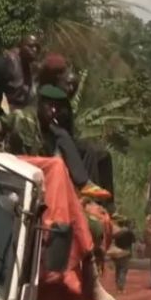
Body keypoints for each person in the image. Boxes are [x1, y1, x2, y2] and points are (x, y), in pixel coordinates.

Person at [35, 54, 111, 201]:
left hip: (64, 140)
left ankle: (107, 203)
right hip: (47, 137)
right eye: (68, 84)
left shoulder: (65, 104)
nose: (71, 89)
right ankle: (83, 184)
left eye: (73, 86)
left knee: (101, 154)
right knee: (65, 136)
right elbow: (46, 122)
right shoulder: (46, 93)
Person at [4, 35, 41, 110]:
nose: (34, 49)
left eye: (37, 47)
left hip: (22, 109)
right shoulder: (10, 60)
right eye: (30, 46)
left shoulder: (30, 64)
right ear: (20, 46)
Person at [107, 214, 135, 293]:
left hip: (117, 252)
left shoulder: (117, 233)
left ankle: (117, 286)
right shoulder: (129, 233)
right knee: (123, 270)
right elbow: (133, 242)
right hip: (125, 253)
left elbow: (113, 241)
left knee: (118, 269)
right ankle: (121, 287)